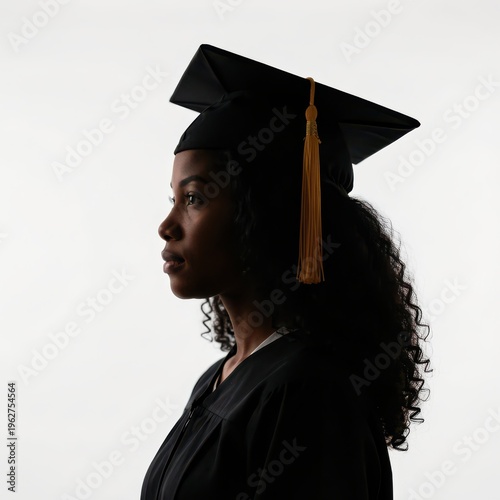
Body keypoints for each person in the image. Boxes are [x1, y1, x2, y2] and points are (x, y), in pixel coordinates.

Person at [141, 44, 431, 499]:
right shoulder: (222, 378)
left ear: (266, 214)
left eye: (194, 198)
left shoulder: (310, 390)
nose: (167, 226)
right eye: (173, 200)